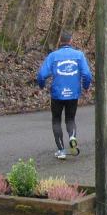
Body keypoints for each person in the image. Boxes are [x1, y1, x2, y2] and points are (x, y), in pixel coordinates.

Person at [37, 30, 92, 160]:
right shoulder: (79, 55)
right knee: (70, 119)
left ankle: (61, 151)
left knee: (56, 120)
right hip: (73, 94)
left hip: (57, 94)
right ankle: (72, 137)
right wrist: (86, 86)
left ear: (60, 41)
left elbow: (41, 75)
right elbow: (87, 74)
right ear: (71, 41)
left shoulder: (53, 56)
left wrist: (41, 85)